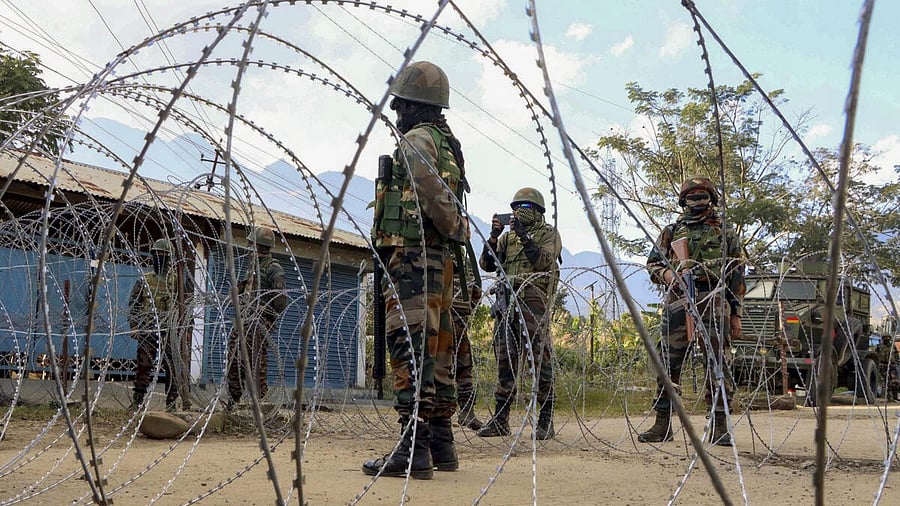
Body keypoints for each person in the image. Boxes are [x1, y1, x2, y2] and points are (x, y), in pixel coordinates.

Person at [363, 60, 470, 480]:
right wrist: (454, 234)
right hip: (437, 260)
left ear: (416, 105)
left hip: (413, 258)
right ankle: (441, 443)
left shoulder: (417, 140)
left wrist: (454, 228)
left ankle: (413, 449)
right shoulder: (446, 142)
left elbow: (432, 194)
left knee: (409, 346)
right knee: (437, 350)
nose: (396, 111)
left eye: (401, 104)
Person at [641, 175, 745, 446]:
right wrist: (668, 275)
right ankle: (662, 423)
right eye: (692, 195)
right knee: (669, 361)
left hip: (714, 299)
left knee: (717, 362)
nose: (697, 200)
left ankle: (720, 424)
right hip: (678, 300)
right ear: (683, 200)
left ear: (712, 198)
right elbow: (653, 263)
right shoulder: (672, 231)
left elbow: (737, 275)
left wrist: (736, 313)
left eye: (702, 194)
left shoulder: (725, 232)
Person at [476, 187, 562, 440]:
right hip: (507, 305)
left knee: (540, 361)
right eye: (516, 208)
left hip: (534, 303)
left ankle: (545, 419)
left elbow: (543, 261)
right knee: (505, 362)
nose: (519, 212)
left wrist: (525, 237)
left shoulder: (548, 234)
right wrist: (493, 238)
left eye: (525, 208)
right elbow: (487, 264)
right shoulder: (507, 239)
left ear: (537, 211)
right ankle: (501, 420)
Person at [226, 226, 287, 409]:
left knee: (256, 363)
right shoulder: (253, 267)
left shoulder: (273, 268)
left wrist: (265, 316)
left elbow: (280, 300)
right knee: (234, 360)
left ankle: (260, 403)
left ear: (257, 245)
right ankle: (233, 402)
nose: (248, 247)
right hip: (244, 320)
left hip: (259, 322)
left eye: (250, 243)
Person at [128, 238, 187, 412]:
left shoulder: (177, 281)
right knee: (143, 367)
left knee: (172, 369)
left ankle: (171, 404)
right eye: (157, 253)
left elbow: (186, 306)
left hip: (170, 331)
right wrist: (134, 326)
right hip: (148, 328)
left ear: (169, 258)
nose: (160, 257)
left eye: (164, 254)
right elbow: (134, 305)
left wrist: (185, 329)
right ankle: (138, 402)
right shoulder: (145, 280)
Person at [451, 252, 484, 431]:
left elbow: (476, 290)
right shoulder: (466, 260)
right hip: (455, 317)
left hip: (447, 315)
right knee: (462, 368)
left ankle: (464, 412)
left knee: (458, 366)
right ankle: (466, 412)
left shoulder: (437, 252)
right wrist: (466, 309)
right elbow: (477, 292)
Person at [876, 334, 900, 401]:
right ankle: (889, 397)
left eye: (888, 337)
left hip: (892, 366)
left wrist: (897, 363)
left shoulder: (893, 346)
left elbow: (896, 355)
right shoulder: (879, 346)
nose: (887, 338)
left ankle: (895, 396)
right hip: (883, 366)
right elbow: (876, 355)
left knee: (895, 382)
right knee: (886, 382)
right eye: (885, 337)